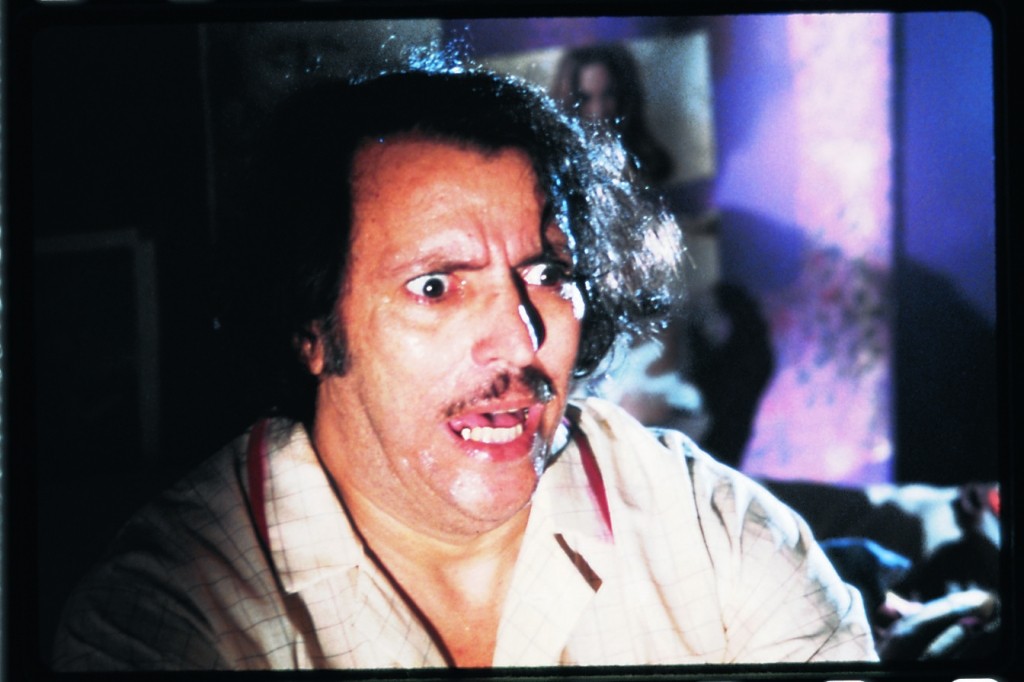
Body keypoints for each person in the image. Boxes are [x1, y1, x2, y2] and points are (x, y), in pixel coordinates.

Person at [51, 67, 876, 670]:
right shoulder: (165, 617)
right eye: (437, 287)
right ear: (312, 329)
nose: (518, 341)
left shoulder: (712, 531)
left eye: (546, 275)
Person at [551, 44, 674, 185]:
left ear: (624, 96)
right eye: (584, 98)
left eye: (609, 94)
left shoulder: (651, 163)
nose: (598, 111)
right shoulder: (559, 170)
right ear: (569, 102)